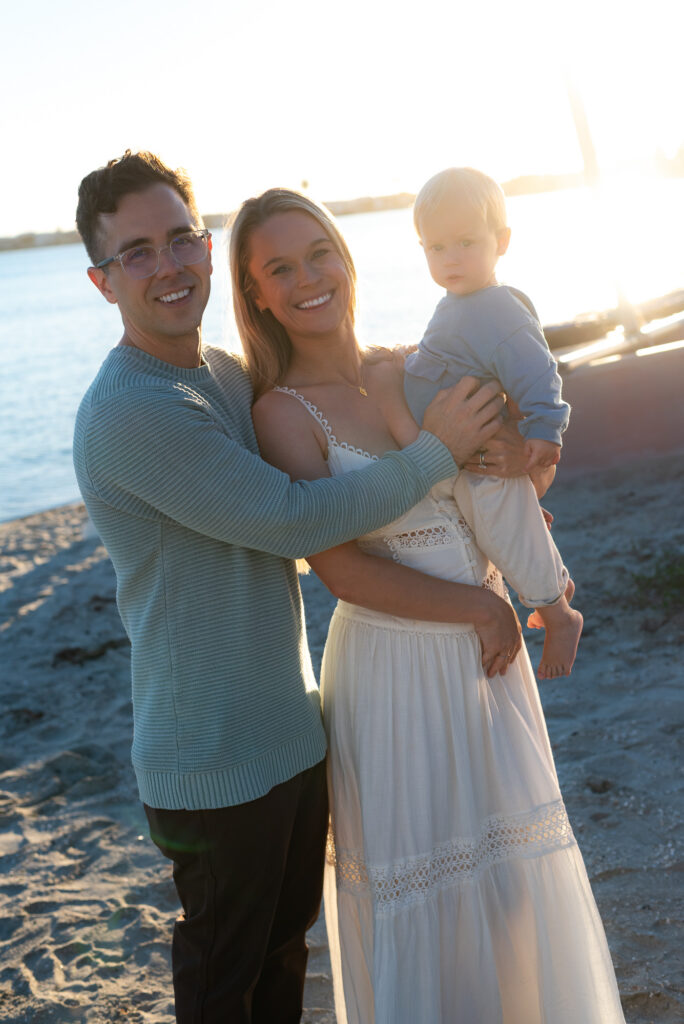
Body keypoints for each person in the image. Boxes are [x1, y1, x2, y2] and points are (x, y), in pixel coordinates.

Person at [72, 150, 512, 1024]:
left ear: (205, 248)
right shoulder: (131, 411)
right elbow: (293, 520)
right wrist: (435, 453)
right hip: (211, 755)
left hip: (290, 731)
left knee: (281, 961)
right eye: (137, 253)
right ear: (102, 280)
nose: (167, 267)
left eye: (179, 240)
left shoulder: (222, 378)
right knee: (224, 980)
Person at [233, 186, 626, 1023]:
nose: (309, 279)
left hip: (488, 668)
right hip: (393, 667)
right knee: (428, 891)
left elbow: (514, 476)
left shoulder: (414, 366)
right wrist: (481, 609)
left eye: (320, 253)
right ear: (257, 293)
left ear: (347, 257)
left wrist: (526, 459)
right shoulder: (280, 415)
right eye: (280, 268)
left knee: (515, 880)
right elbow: (341, 571)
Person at [405, 166, 583, 679]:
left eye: (465, 242)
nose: (450, 258)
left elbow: (537, 371)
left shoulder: (496, 308)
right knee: (500, 530)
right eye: (436, 247)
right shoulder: (461, 303)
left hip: (486, 449)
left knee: (502, 522)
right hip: (460, 450)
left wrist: (545, 431)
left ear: (501, 241)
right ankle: (554, 582)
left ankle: (558, 615)